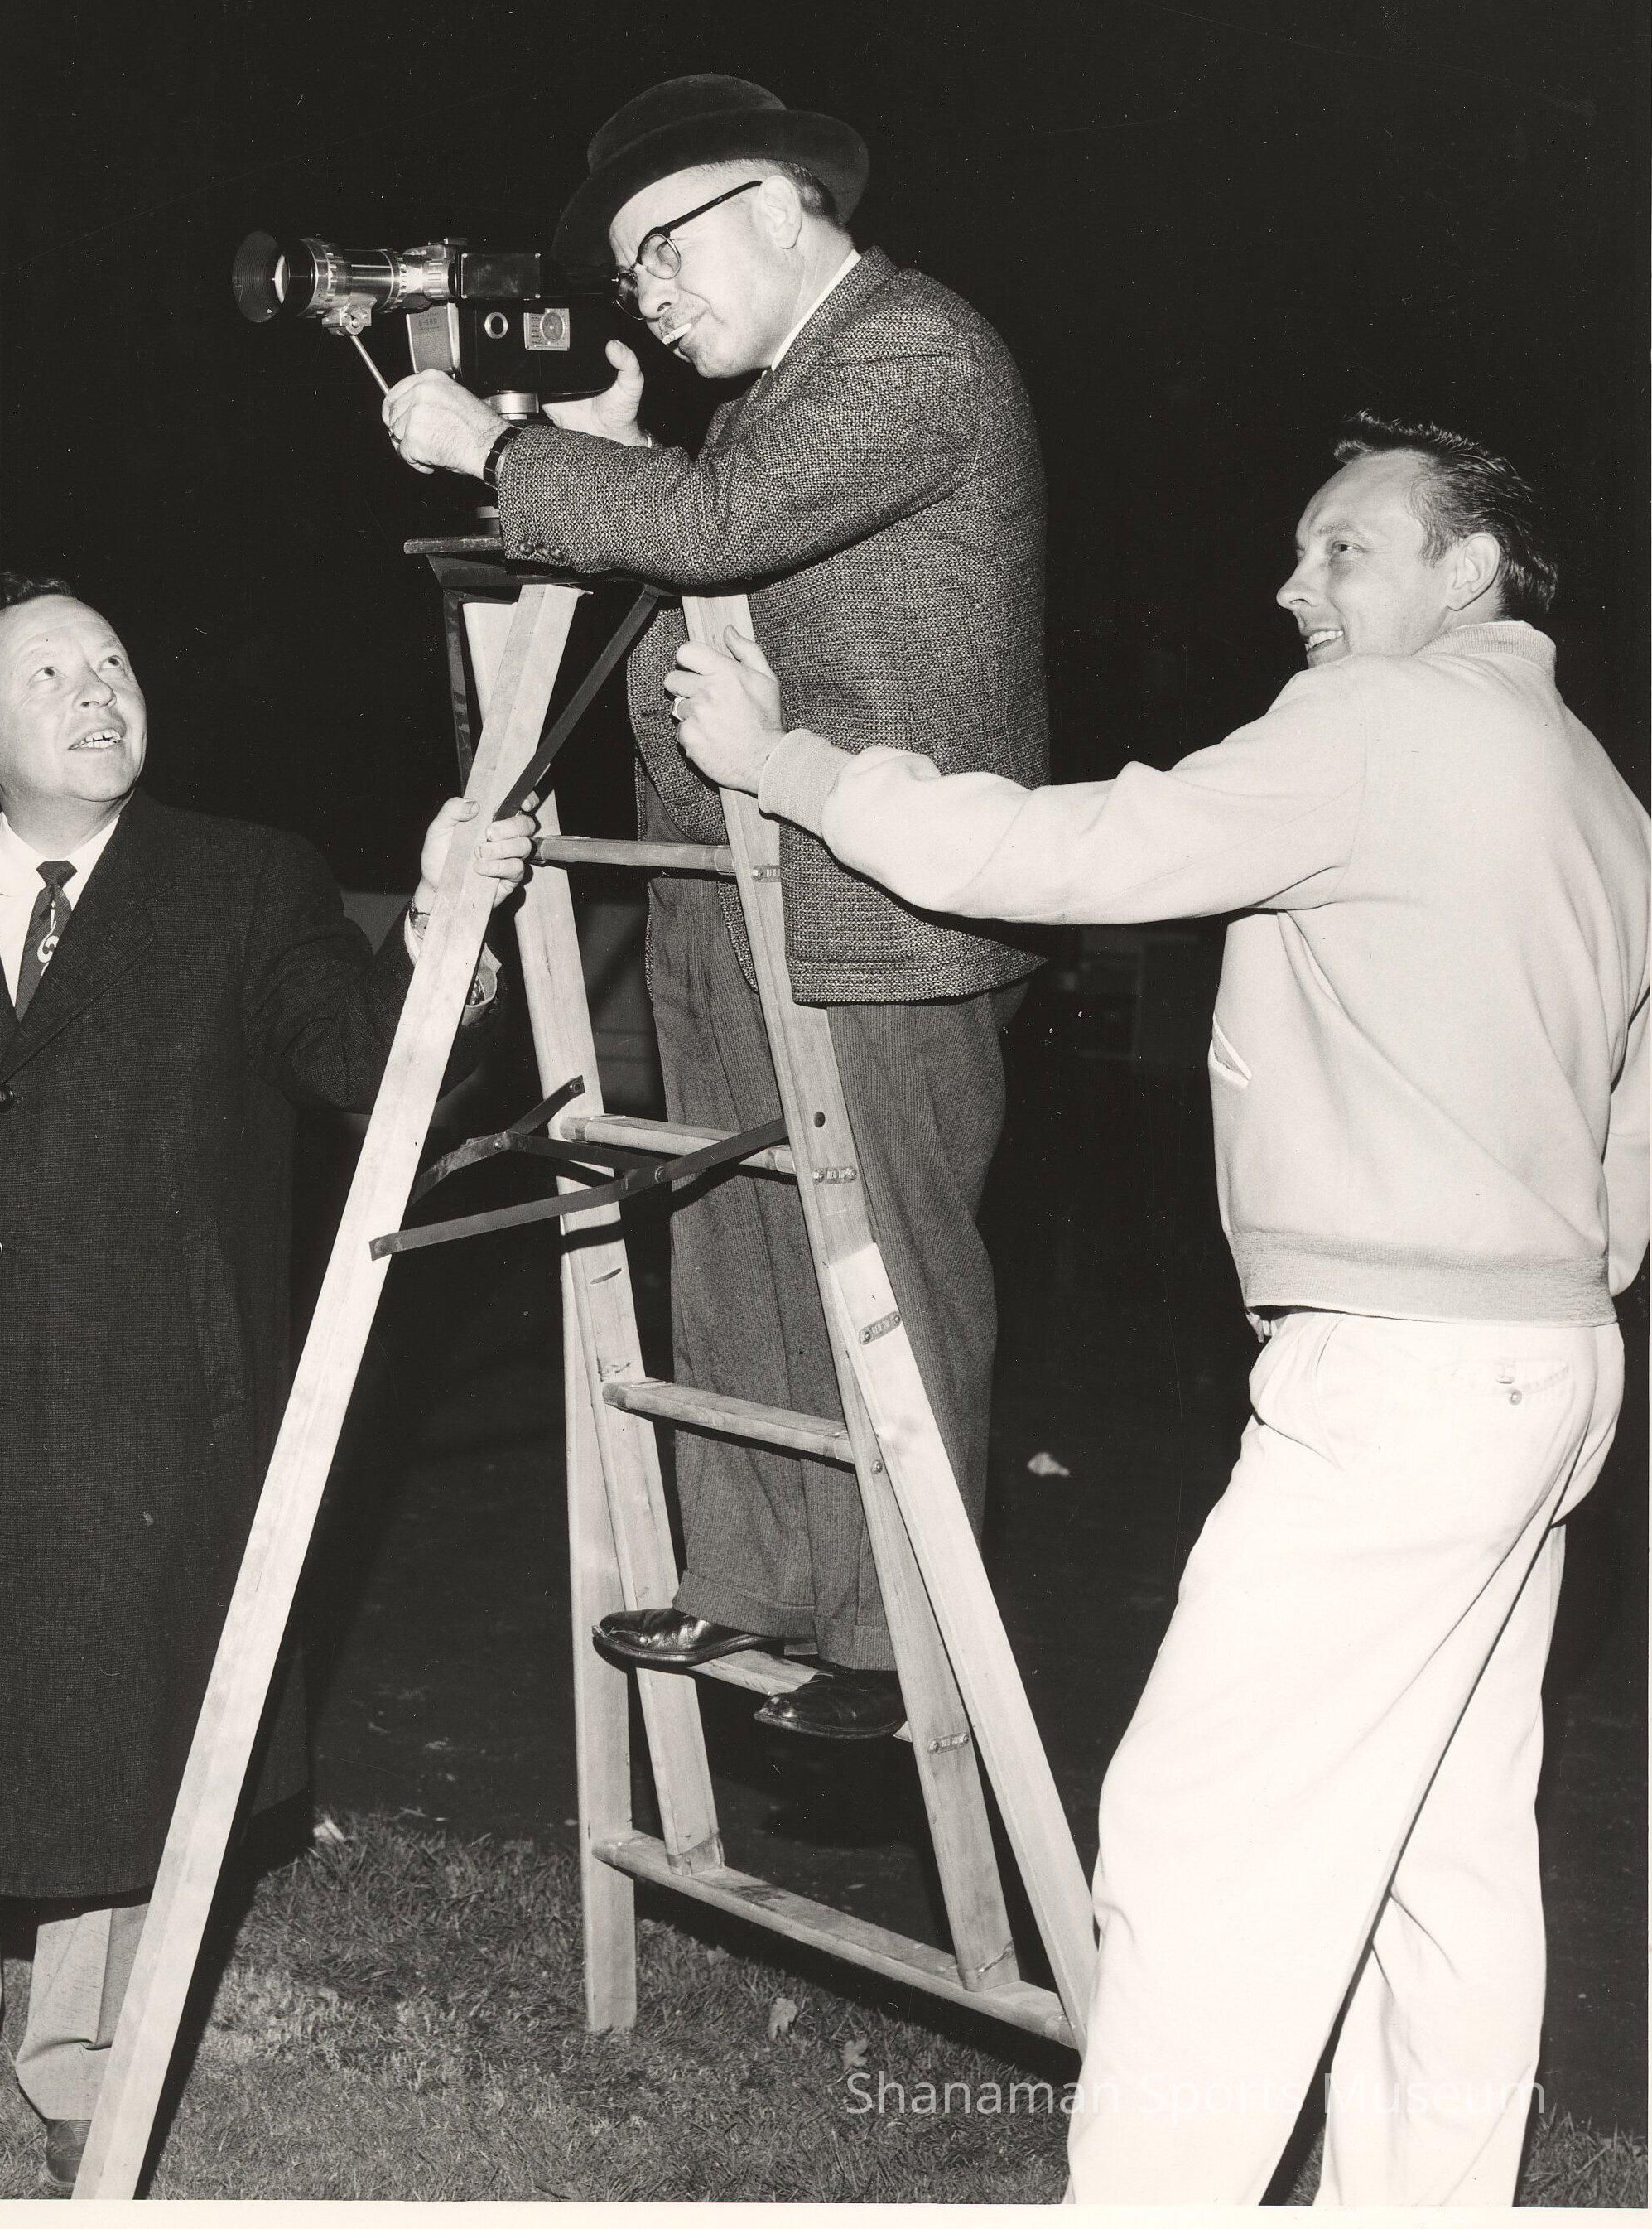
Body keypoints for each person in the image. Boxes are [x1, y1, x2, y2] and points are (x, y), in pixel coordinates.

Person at [667, 413, 1650, 2203]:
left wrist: (790, 764)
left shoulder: (1378, 722)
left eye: (1343, 549)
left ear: (1467, 570)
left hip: (1403, 1383)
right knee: (1440, 1854)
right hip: (1547, 1363)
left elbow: (1076, 854)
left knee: (1205, 1834)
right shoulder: (1591, 784)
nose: (1292, 585)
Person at [0, 573, 534, 2189]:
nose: (97, 689)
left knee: (118, 1732)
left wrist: (447, 929)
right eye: (48, 673)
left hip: (139, 1402)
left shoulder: (242, 880)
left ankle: (86, 2065)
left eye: (110, 661)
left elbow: (361, 1058)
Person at [383, 75, 1048, 1740]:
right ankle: (758, 1586)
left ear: (775, 199)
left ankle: (898, 1646)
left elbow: (722, 531)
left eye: (661, 252)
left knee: (887, 1272)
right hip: (734, 890)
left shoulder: (913, 348)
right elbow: (724, 534)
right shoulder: (781, 393)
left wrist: (502, 448)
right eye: (630, 274)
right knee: (737, 1249)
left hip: (880, 907)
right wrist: (614, 459)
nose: (648, 298)